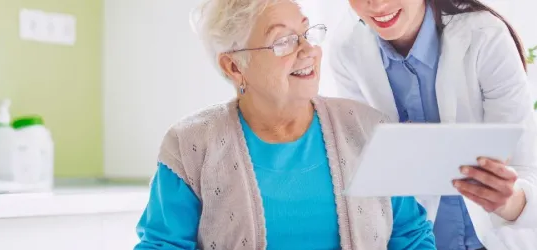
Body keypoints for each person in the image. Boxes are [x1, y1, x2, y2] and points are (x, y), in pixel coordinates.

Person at [134, 0, 436, 249]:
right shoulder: (190, 145)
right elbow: (162, 244)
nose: (307, 51)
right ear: (234, 66)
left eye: (306, 33)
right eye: (282, 42)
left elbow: (411, 236)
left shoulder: (369, 131)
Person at [329, 0, 537, 249]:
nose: (377, 4)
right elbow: (369, 168)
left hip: (496, 238)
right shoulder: (347, 49)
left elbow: (522, 164)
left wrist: (507, 200)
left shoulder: (485, 36)